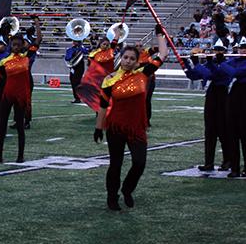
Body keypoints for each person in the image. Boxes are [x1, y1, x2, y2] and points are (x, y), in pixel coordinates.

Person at [94, 26, 168, 211]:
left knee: (139, 162)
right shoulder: (110, 79)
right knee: (115, 164)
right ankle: (112, 197)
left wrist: (160, 35)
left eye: (131, 59)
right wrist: (98, 127)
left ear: (137, 62)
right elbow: (103, 105)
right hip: (116, 127)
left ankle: (127, 189)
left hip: (137, 127)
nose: (127, 61)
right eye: (125, 57)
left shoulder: (143, 74)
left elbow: (163, 54)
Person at [0, 17, 42, 164]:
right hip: (7, 94)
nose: (16, 47)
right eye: (14, 45)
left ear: (22, 45)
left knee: (19, 126)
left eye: (18, 45)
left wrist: (37, 24)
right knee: (1, 125)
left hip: (21, 96)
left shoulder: (27, 56)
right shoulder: (4, 61)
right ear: (11, 46)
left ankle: (20, 155)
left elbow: (38, 40)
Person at [184, 40, 231, 171]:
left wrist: (200, 63)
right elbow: (194, 76)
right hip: (210, 97)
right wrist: (187, 63)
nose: (217, 52)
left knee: (223, 131)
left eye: (220, 50)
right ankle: (208, 162)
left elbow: (213, 75)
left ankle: (228, 160)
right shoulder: (210, 63)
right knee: (209, 132)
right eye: (216, 50)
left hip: (222, 97)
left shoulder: (227, 63)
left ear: (225, 52)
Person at [217, 37, 246, 178]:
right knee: (232, 135)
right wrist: (213, 61)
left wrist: (222, 62)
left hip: (245, 99)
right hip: (232, 99)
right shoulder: (234, 60)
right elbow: (222, 70)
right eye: (241, 48)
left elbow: (235, 72)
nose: (243, 50)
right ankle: (234, 168)